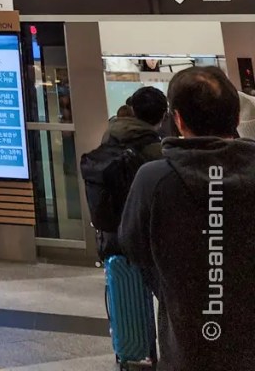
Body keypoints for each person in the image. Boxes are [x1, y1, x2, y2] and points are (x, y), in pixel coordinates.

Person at [121, 67, 255, 371]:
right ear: (236, 119)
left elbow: (134, 248)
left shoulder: (152, 180)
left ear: (177, 119)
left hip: (187, 346)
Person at [92, 86, 168, 257]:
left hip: (111, 234)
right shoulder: (156, 152)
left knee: (120, 281)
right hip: (143, 239)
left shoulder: (111, 135)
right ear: (164, 116)